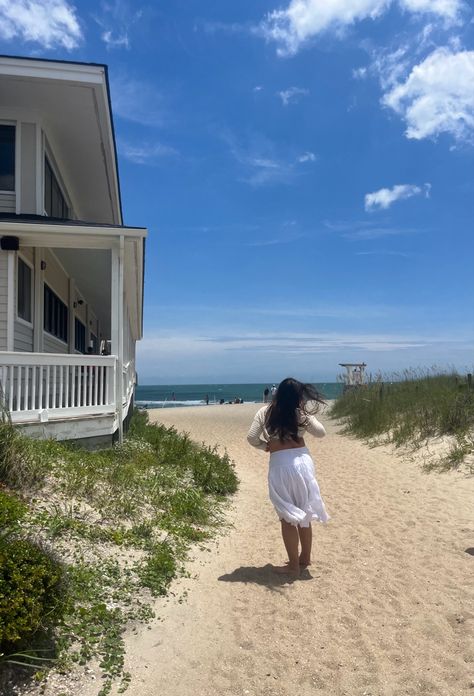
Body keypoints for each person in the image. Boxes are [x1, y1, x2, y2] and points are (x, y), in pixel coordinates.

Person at [247, 377, 329, 576]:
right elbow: (321, 433)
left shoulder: (265, 412)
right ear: (297, 397)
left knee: (287, 516)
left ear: (278, 393)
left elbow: (251, 437)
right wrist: (304, 414)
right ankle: (304, 558)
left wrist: (264, 445)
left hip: (280, 462)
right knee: (304, 511)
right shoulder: (300, 414)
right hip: (302, 460)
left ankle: (293, 566)